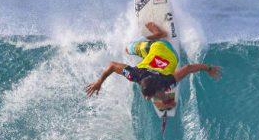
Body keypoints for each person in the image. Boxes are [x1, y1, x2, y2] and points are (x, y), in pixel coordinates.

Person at [85, 22, 222, 110]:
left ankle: (159, 36)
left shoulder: (164, 81)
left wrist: (210, 68)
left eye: (148, 96)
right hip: (157, 47)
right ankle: (157, 36)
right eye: (147, 95)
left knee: (129, 49)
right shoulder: (135, 74)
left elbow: (188, 68)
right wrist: (99, 82)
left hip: (168, 53)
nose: (146, 98)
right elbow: (113, 66)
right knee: (128, 48)